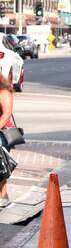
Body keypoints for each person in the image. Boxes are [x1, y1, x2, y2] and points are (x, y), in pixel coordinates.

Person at [0, 53, 15, 209]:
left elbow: (7, 114)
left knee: (1, 166)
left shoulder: (4, 92)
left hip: (2, 133)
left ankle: (4, 196)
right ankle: (4, 196)